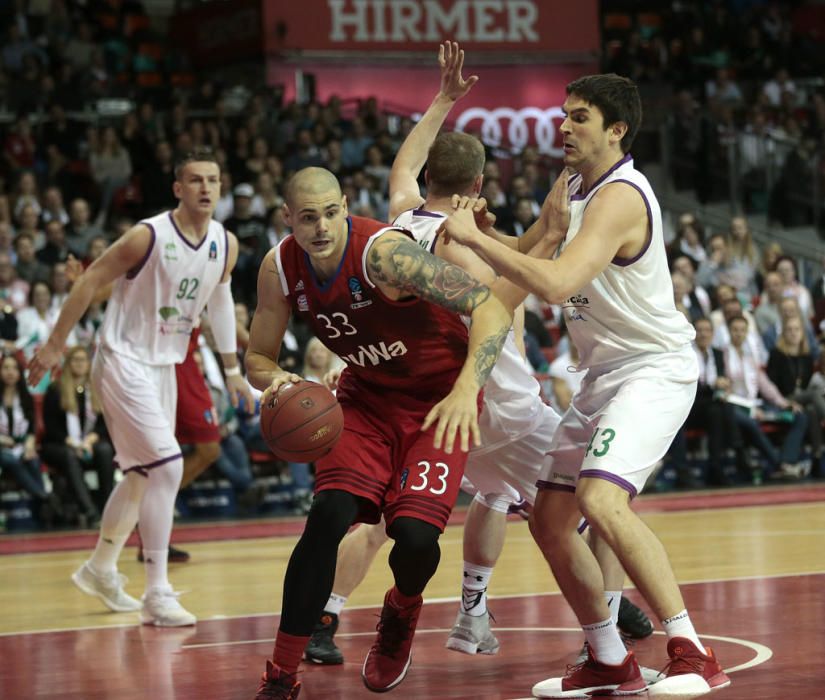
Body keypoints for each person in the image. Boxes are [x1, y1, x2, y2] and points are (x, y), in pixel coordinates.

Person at [304, 43, 653, 673]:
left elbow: (403, 166)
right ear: (478, 185)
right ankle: (606, 620)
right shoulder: (465, 248)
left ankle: (327, 615)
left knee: (386, 519)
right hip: (495, 406)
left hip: (428, 409)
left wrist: (443, 99)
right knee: (597, 499)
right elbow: (496, 301)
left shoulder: (398, 220)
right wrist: (546, 229)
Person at [439, 73, 730, 697]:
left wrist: (471, 240)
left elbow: (556, 282)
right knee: (549, 518)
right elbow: (532, 253)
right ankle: (607, 656)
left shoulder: (621, 196)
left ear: (616, 129)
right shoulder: (570, 185)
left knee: (600, 501)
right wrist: (482, 252)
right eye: (564, 115)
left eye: (579, 118)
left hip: (654, 368)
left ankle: (692, 651)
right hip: (602, 374)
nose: (563, 126)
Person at [247, 163, 514, 698]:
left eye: (330, 213)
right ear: (287, 220)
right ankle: (281, 675)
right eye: (307, 218)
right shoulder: (278, 268)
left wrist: (466, 391)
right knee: (327, 516)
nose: (321, 228)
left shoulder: (386, 255)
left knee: (414, 537)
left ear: (345, 207)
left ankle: (401, 609)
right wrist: (279, 380)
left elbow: (490, 309)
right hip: (366, 398)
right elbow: (256, 356)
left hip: (439, 400)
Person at [27, 147, 252, 627]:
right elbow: (88, 282)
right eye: (195, 180)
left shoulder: (225, 244)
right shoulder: (146, 235)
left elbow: (220, 302)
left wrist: (232, 369)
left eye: (213, 179)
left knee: (141, 474)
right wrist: (54, 345)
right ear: (177, 187)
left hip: (164, 366)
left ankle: (100, 570)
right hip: (122, 359)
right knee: (168, 466)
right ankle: (157, 592)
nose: (206, 188)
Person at [40, 345, 115, 528]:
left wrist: (89, 441)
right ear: (67, 364)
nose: (80, 364)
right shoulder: (55, 389)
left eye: (84, 360)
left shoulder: (96, 389)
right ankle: (90, 512)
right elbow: (51, 428)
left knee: (105, 450)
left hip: (88, 443)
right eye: (75, 360)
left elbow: (103, 425)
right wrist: (74, 444)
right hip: (59, 444)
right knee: (69, 456)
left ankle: (109, 510)